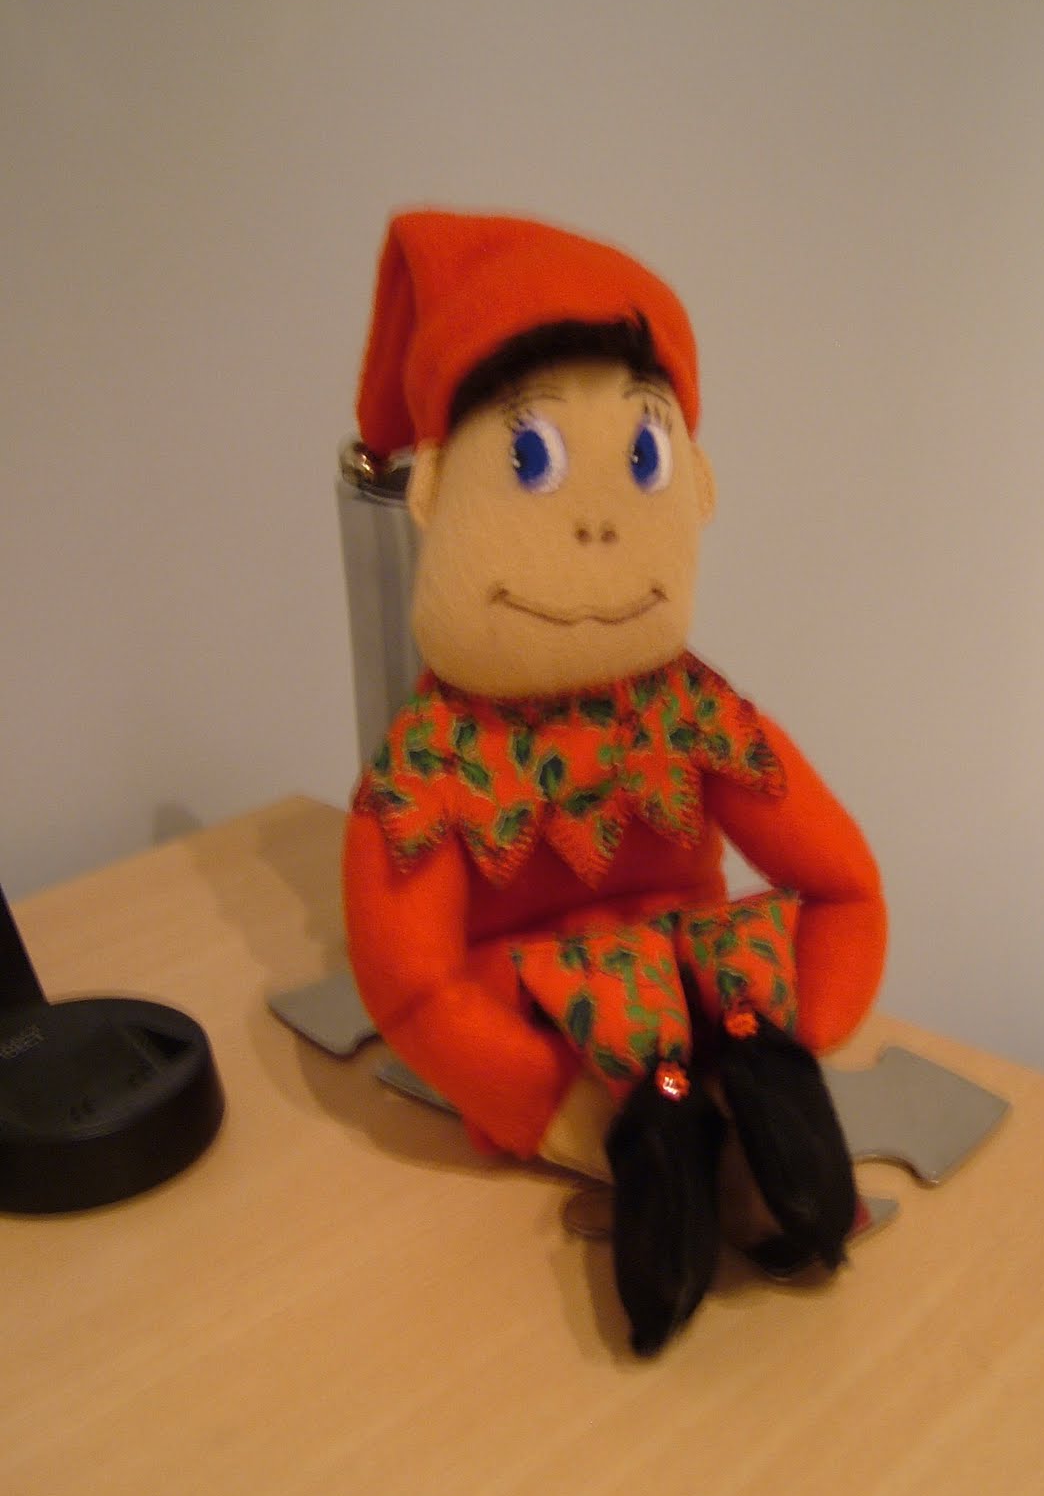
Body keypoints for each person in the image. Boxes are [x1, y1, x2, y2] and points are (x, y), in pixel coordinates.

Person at [343, 210, 887, 1354]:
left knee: (746, 1087)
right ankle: (686, 1145)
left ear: (697, 485)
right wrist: (558, 1104)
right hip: (535, 1022)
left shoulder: (691, 711)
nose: (599, 522)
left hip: (706, 989)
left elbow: (842, 887)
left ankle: (747, 1105)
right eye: (530, 459)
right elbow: (414, 987)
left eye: (643, 459)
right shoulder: (434, 763)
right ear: (434, 491)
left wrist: (802, 1030)